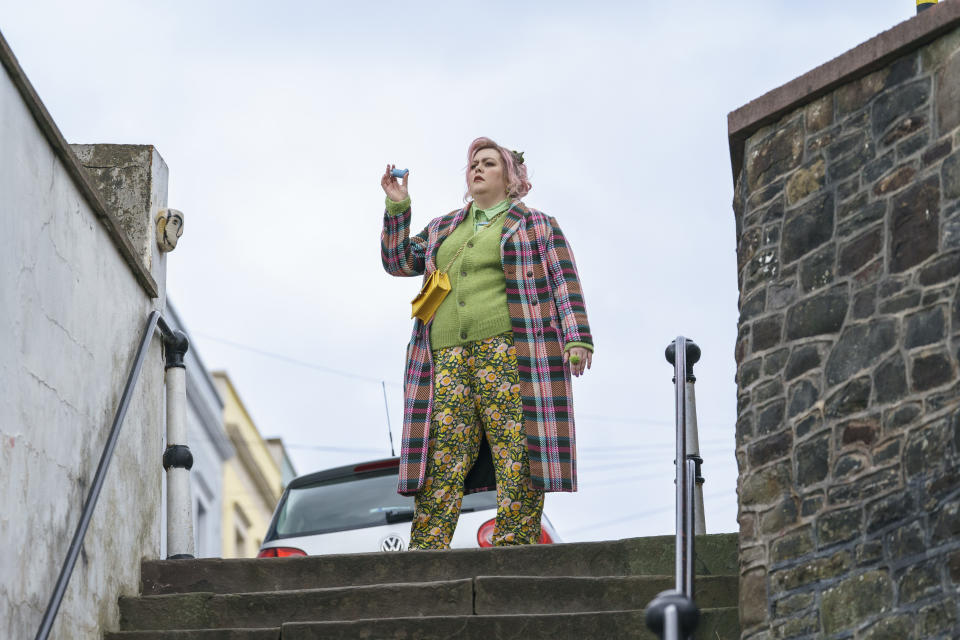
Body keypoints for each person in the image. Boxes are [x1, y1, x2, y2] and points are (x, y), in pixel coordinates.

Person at [380, 137, 593, 549]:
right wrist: (397, 206)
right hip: (442, 358)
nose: (477, 168)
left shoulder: (537, 225)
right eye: (473, 163)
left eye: (489, 163)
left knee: (517, 449)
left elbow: (563, 281)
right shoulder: (446, 227)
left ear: (510, 177)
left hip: (509, 352)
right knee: (442, 455)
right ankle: (427, 551)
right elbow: (399, 261)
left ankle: (513, 548)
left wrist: (577, 337)